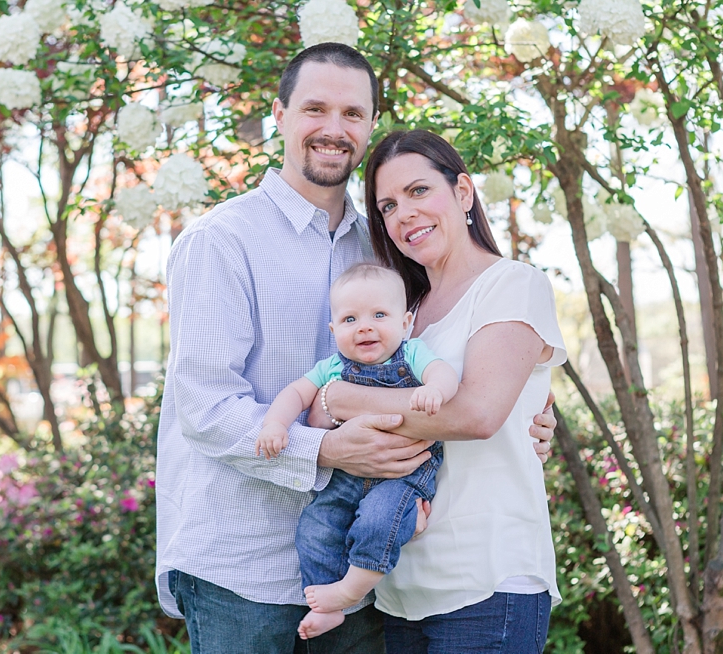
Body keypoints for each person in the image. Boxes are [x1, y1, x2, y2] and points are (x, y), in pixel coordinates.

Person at [156, 42, 556, 654]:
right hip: (245, 566)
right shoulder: (222, 240)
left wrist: (532, 414)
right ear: (281, 114)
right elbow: (204, 407)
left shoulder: (389, 247)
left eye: (352, 113)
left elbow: (471, 360)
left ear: (370, 123)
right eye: (315, 108)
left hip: (367, 573)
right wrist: (328, 447)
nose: (333, 129)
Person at [314, 129, 566, 652]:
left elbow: (476, 413)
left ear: (464, 193)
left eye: (419, 191)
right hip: (402, 589)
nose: (403, 213)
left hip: (488, 583)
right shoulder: (402, 313)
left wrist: (346, 400)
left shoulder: (513, 284)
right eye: (387, 205)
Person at [254, 263, 458, 640]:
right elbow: (296, 394)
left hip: (404, 473)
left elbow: (443, 373)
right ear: (334, 332)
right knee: (316, 527)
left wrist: (435, 390)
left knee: (379, 521)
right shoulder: (332, 367)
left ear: (405, 321)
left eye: (379, 315)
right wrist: (275, 424)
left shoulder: (412, 354)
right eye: (350, 319)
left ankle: (350, 590)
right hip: (347, 475)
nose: (365, 326)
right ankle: (326, 606)